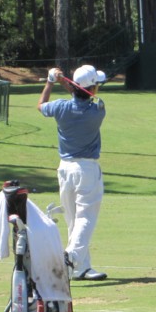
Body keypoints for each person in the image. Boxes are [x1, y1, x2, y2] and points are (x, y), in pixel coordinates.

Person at [37, 65, 108, 281]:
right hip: (86, 169)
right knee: (85, 218)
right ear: (92, 90)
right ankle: (70, 260)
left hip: (65, 170)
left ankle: (81, 268)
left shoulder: (60, 108)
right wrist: (64, 82)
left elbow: (41, 105)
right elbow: (82, 96)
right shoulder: (98, 110)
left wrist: (51, 81)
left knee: (73, 220)